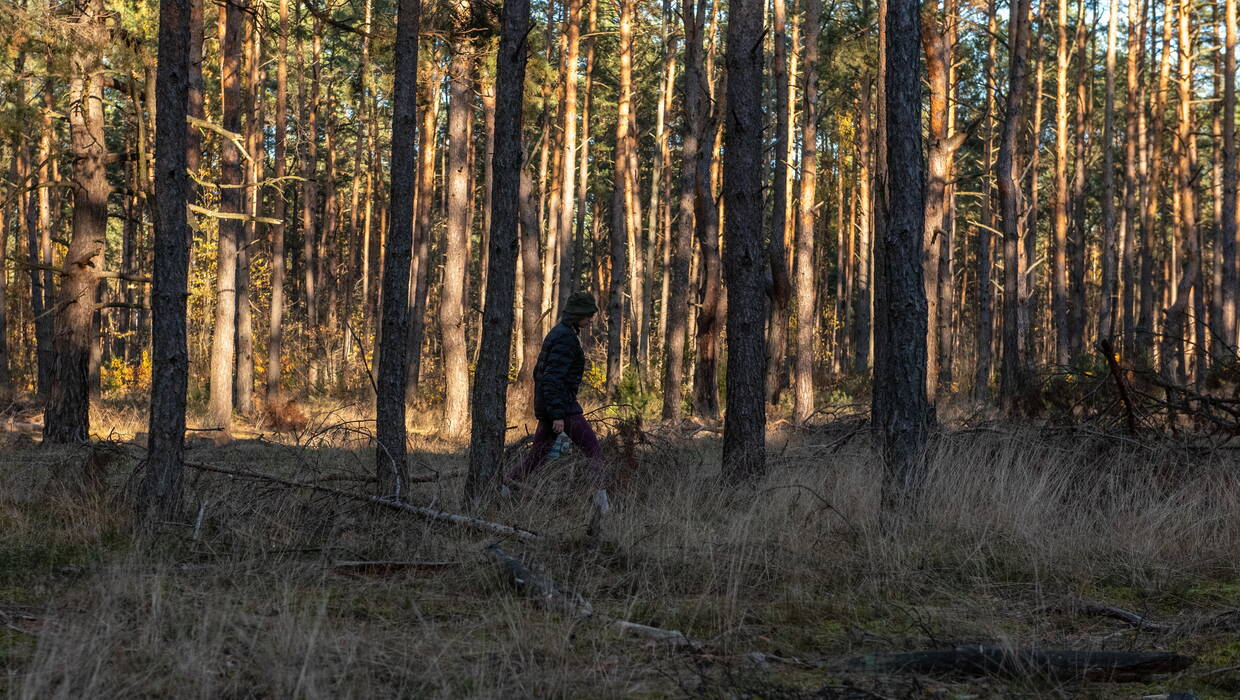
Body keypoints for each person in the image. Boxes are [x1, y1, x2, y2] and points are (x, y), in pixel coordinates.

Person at [507, 291, 607, 486]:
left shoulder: (565, 333)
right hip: (563, 408)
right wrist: (558, 415)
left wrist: (553, 412)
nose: (590, 319)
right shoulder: (564, 337)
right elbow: (551, 378)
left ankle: (507, 487)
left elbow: (546, 375)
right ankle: (600, 499)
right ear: (577, 315)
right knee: (592, 448)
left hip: (555, 407)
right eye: (588, 315)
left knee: (536, 457)